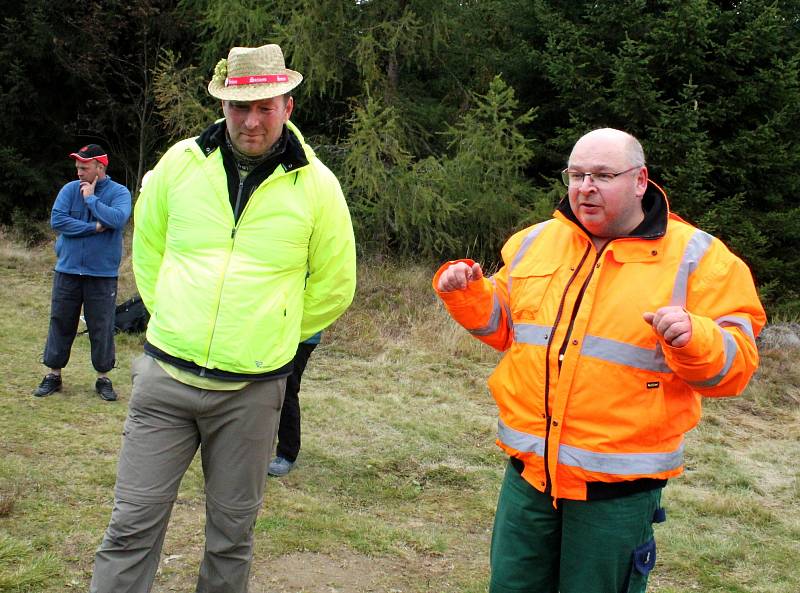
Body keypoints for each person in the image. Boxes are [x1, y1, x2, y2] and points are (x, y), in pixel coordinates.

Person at [433, 128, 766, 593]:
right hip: (529, 476)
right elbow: (507, 327)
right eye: (577, 174)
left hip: (616, 489)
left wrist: (695, 339)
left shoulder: (701, 260)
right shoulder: (535, 242)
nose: (585, 187)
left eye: (603, 175)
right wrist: (468, 294)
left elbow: (736, 368)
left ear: (640, 181)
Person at [89, 43, 356, 593]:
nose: (251, 120)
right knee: (129, 528)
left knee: (231, 540)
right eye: (240, 106)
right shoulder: (180, 164)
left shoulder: (318, 187)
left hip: (252, 393)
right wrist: (172, 314)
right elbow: (150, 244)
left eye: (265, 106)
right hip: (165, 381)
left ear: (288, 105)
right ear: (223, 104)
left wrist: (274, 332)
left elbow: (334, 284)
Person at [34, 144, 132, 402]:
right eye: (77, 167)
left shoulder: (119, 192)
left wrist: (91, 199)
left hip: (102, 274)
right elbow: (58, 221)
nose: (78, 172)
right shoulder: (68, 190)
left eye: (84, 168)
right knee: (61, 321)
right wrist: (94, 227)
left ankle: (103, 378)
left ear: (100, 167)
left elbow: (118, 219)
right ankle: (53, 375)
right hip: (67, 270)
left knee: (102, 325)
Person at [268, 332, 321, 477]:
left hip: (302, 337)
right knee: (260, 388)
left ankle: (287, 454)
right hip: (272, 332)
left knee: (287, 389)